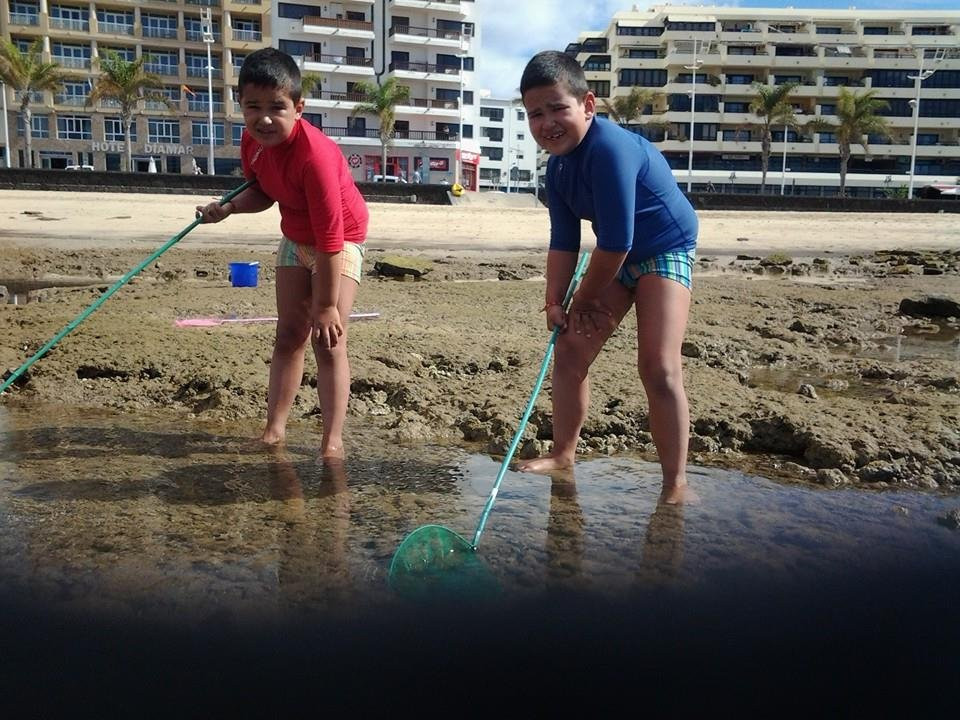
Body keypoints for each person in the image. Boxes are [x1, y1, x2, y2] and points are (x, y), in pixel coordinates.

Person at [515, 50, 698, 504]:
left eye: (557, 108)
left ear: (588, 105)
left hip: (664, 248)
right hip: (618, 256)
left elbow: (616, 241)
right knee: (570, 348)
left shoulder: (612, 149)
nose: (547, 123)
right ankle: (563, 454)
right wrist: (554, 302)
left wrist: (584, 299)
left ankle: (675, 483)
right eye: (535, 114)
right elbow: (564, 240)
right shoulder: (557, 167)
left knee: (658, 366)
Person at [196, 48, 369, 458]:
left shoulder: (316, 157)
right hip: (295, 236)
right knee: (289, 334)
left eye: (277, 107)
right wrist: (229, 207)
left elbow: (331, 237)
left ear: (298, 107)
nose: (264, 119)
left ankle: (332, 442)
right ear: (241, 106)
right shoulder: (252, 143)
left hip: (340, 240)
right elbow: (262, 191)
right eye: (253, 107)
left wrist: (325, 306)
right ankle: (273, 431)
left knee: (328, 340)